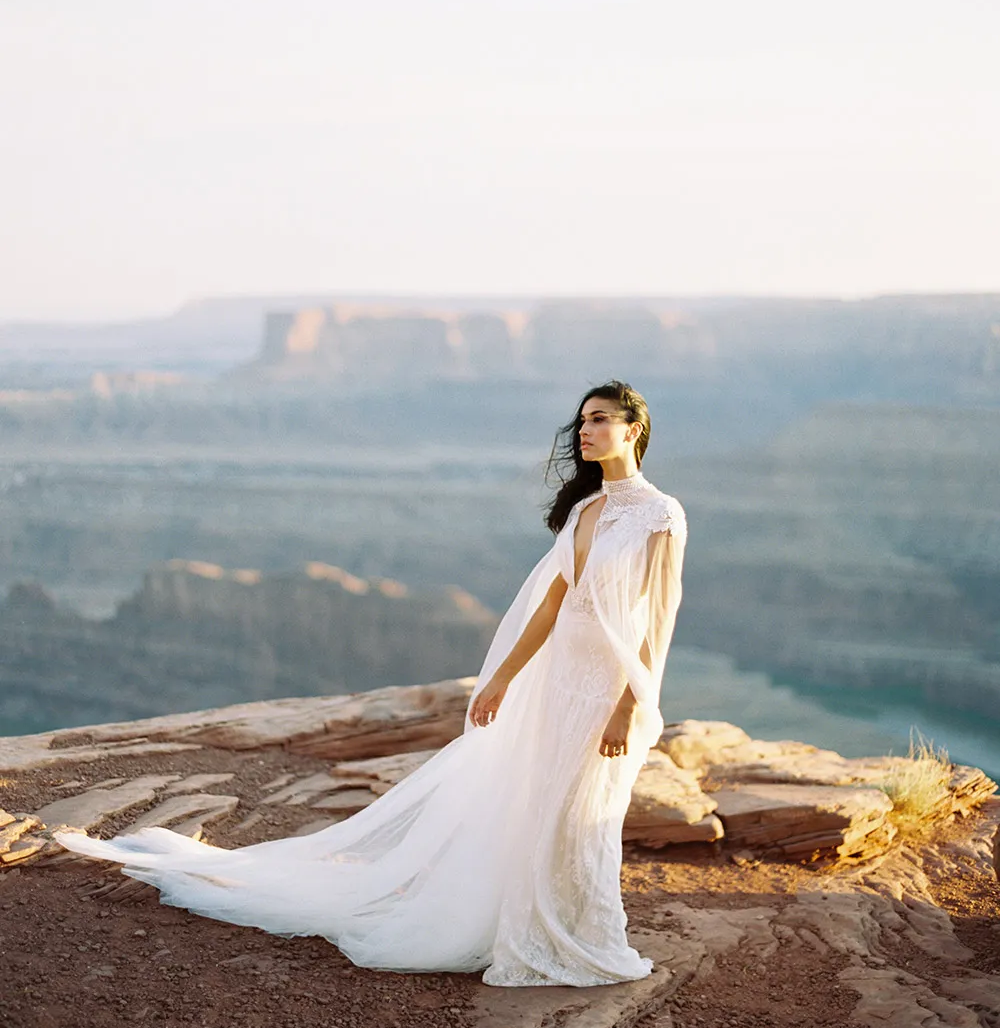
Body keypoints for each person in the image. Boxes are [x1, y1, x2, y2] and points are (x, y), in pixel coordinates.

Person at [54, 380, 686, 988]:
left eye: (600, 419)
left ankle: (584, 939)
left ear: (634, 428)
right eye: (582, 420)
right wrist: (500, 680)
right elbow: (554, 605)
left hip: (608, 688)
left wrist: (629, 706)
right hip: (554, 683)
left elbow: (657, 622)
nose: (586, 430)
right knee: (540, 807)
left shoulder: (659, 515)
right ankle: (532, 932)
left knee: (585, 815)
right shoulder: (584, 507)